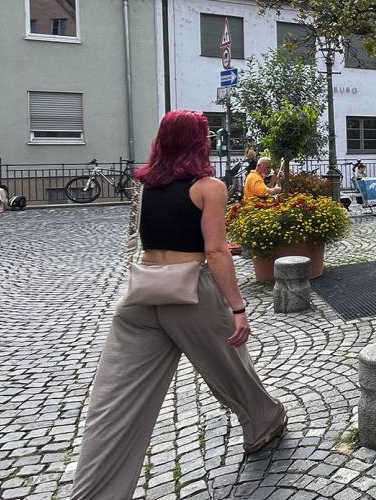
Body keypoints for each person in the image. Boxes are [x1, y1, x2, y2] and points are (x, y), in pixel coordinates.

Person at [72, 111, 285, 498]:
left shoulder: (143, 184)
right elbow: (217, 251)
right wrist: (238, 307)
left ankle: (94, 493)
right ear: (198, 142)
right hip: (191, 291)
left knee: (114, 404)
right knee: (228, 367)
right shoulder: (209, 187)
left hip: (142, 294)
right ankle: (264, 419)